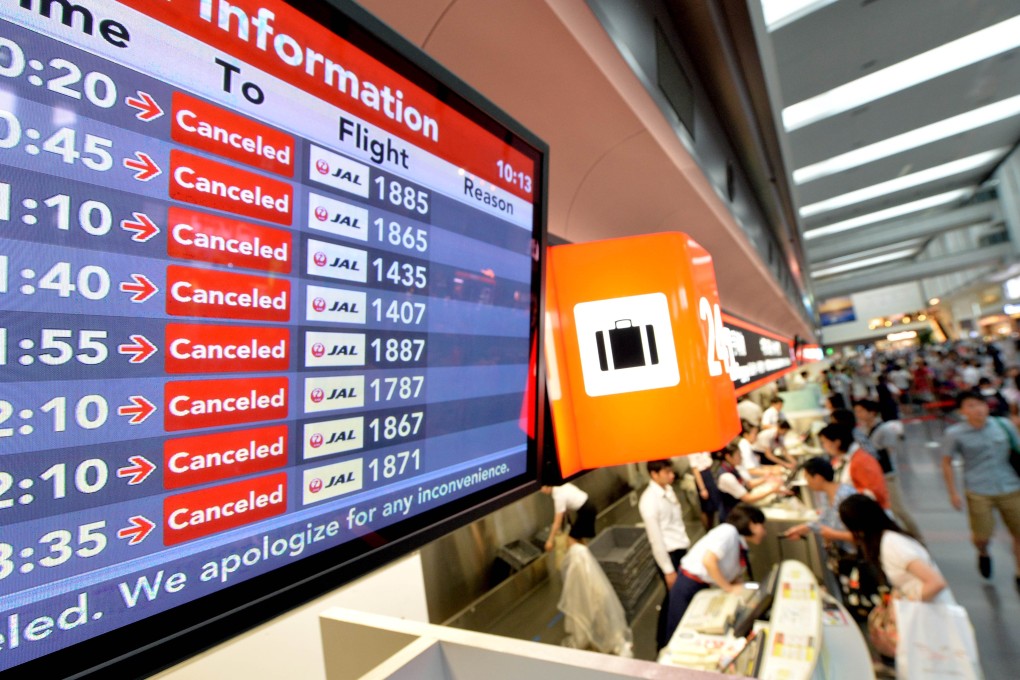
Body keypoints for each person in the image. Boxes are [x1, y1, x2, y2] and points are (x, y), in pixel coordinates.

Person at [941, 390, 1020, 589]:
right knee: (982, 537)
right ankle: (983, 552)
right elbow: (946, 462)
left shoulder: (1004, 426)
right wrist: (953, 492)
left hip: (1010, 486)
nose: (977, 409)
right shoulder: (955, 433)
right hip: (978, 491)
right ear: (962, 411)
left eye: (980, 404)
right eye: (971, 406)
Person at [664, 504, 767, 644]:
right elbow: (709, 561)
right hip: (688, 585)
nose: (764, 532)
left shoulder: (739, 542)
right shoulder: (728, 532)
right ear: (752, 524)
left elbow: (734, 575)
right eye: (762, 526)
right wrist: (728, 588)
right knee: (678, 635)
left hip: (702, 586)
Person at [838, 494, 953, 605]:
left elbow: (936, 583)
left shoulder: (893, 545)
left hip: (933, 615)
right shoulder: (887, 541)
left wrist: (905, 604)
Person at [638, 459, 691, 650]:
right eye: (667, 472)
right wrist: (668, 570)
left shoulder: (668, 491)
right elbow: (656, 539)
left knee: (676, 598)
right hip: (669, 555)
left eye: (671, 471)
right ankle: (663, 642)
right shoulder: (649, 501)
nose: (672, 475)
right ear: (654, 474)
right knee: (673, 599)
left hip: (680, 549)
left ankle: (669, 637)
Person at [854, 400, 923, 540]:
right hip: (876, 474)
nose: (858, 414)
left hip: (887, 474)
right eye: (857, 411)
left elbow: (891, 453)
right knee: (889, 510)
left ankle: (918, 539)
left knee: (899, 510)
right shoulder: (863, 429)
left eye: (861, 411)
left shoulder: (884, 429)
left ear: (872, 412)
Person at [557, 537, 634, 656]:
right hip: (591, 598)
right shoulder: (582, 557)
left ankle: (593, 639)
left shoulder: (576, 559)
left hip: (586, 599)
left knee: (588, 618)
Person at [783, 457, 855, 553]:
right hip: (844, 551)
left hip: (859, 554)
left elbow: (865, 533)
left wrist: (833, 534)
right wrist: (804, 528)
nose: (807, 482)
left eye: (807, 477)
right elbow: (825, 520)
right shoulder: (824, 495)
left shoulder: (847, 496)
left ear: (817, 477)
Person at [820, 423, 890, 510]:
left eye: (824, 442)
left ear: (836, 443)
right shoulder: (840, 460)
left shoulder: (862, 460)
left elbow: (875, 493)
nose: (824, 446)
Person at [713, 444, 782, 522]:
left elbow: (748, 484)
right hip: (732, 517)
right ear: (728, 457)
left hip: (740, 511)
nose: (741, 457)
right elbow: (748, 498)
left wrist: (765, 478)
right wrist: (772, 490)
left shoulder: (733, 468)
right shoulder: (726, 477)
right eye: (738, 455)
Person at [541, 483, 596, 552]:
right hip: (589, 507)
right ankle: (588, 559)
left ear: (548, 486)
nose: (541, 491)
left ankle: (579, 561)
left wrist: (550, 541)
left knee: (571, 540)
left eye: (541, 488)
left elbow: (557, 522)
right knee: (579, 539)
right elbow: (564, 513)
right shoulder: (560, 485)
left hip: (586, 512)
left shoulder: (558, 496)